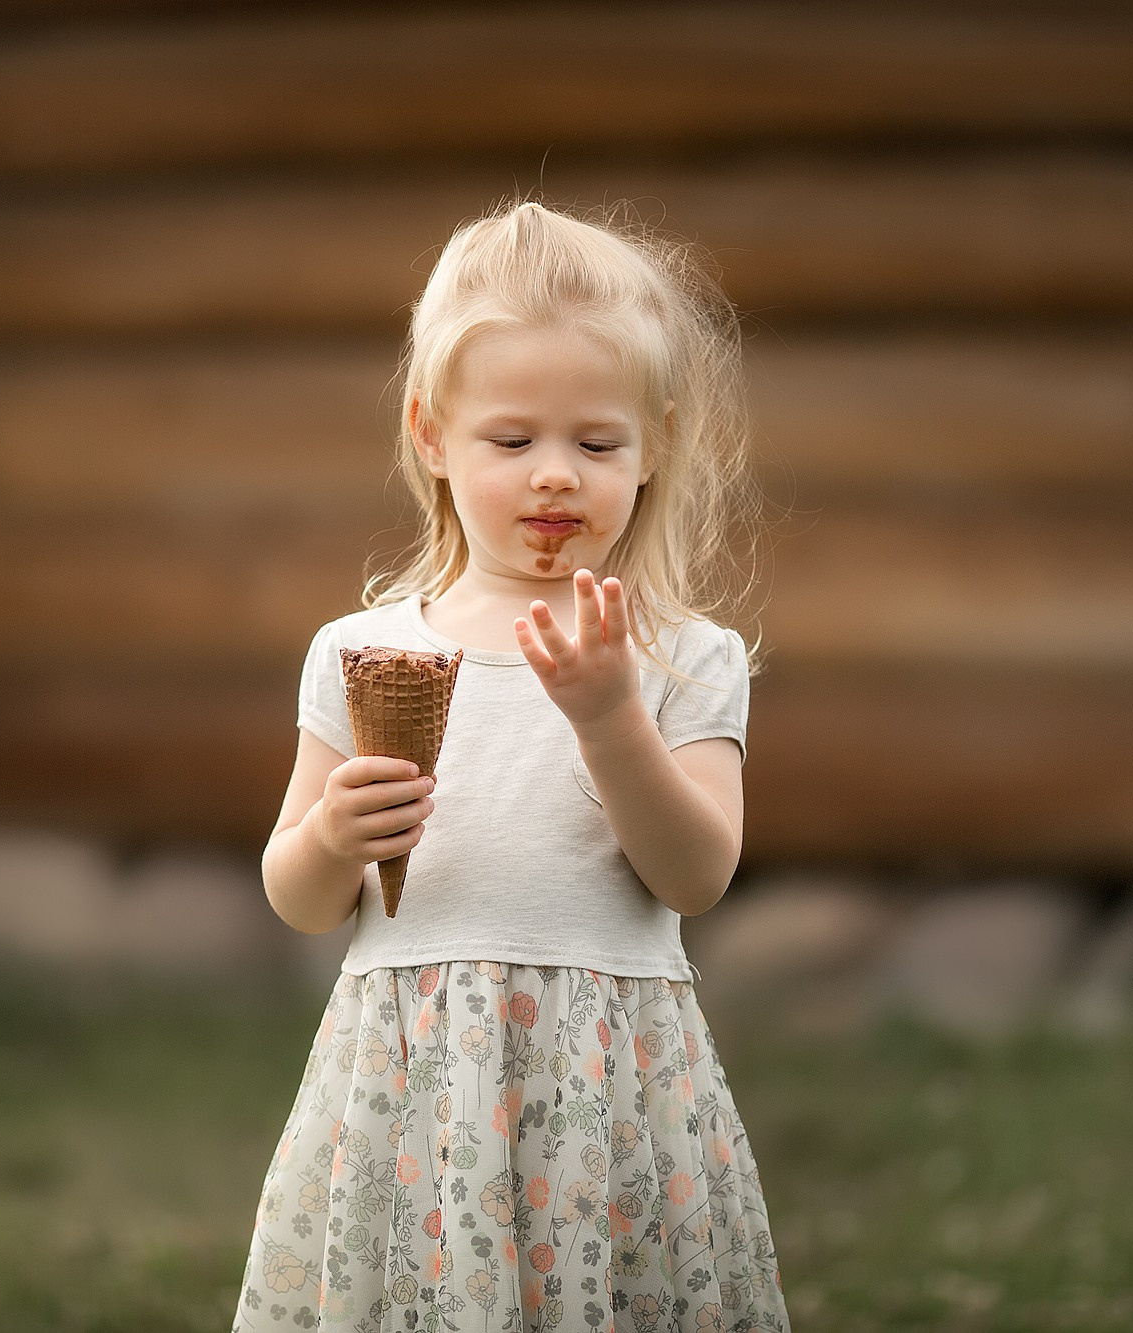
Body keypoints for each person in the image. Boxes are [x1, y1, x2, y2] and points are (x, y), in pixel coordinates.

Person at [233, 198, 789, 1331]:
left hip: (607, 1087)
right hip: (413, 1083)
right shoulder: (362, 651)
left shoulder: (681, 657)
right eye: (510, 439)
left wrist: (607, 717)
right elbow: (295, 899)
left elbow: (696, 875)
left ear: (655, 449)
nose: (552, 476)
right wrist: (334, 837)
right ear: (431, 435)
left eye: (594, 443)